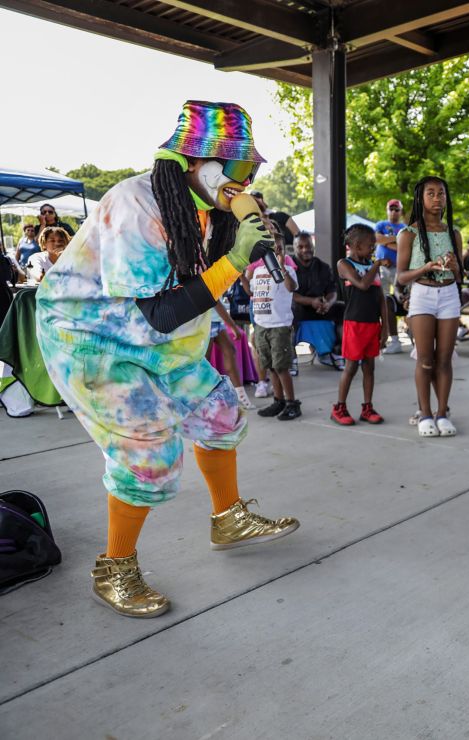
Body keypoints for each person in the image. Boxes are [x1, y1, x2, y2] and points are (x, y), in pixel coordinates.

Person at [35, 100, 299, 618]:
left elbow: (180, 299)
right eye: (242, 169)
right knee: (149, 452)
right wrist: (236, 259)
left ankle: (228, 517)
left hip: (157, 339)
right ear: (204, 165)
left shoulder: (201, 208)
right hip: (90, 338)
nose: (246, 182)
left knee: (220, 412)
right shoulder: (135, 204)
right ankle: (115, 568)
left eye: (251, 170)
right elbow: (159, 311)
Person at [396, 176, 463, 437]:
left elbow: (459, 277)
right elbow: (401, 277)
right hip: (422, 294)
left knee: (444, 360)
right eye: (431, 194)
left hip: (448, 295)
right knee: (425, 360)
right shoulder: (408, 234)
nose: (437, 199)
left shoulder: (453, 233)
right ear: (420, 199)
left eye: (441, 194)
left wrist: (456, 268)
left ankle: (442, 412)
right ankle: (425, 413)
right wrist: (424, 267)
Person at [330, 224, 388, 425]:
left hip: (372, 324)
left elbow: (381, 298)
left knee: (369, 368)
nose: (373, 249)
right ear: (355, 245)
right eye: (370, 245)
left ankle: (367, 407)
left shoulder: (371, 264)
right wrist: (377, 265)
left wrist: (385, 327)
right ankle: (339, 407)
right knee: (351, 367)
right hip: (354, 323)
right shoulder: (344, 264)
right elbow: (362, 285)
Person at [246, 232, 301, 421]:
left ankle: (292, 403)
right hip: (262, 325)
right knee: (270, 366)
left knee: (282, 367)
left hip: (279, 325)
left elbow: (291, 287)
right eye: (270, 247)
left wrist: (281, 267)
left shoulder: (287, 269)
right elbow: (251, 292)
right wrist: (242, 278)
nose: (275, 251)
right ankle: (279, 400)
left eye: (279, 248)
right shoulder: (258, 271)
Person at [289, 231, 344, 367]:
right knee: (288, 311)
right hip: (299, 308)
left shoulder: (323, 267)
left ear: (313, 246)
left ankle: (337, 351)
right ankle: (291, 358)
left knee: (343, 309)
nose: (305, 249)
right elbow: (290, 294)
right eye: (300, 247)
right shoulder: (289, 266)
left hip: (320, 309)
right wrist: (311, 302)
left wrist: (328, 304)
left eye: (308, 246)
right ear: (294, 248)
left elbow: (332, 291)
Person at [207, 297, 254, 409]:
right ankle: (206, 402)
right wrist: (233, 326)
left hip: (215, 319)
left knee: (230, 351)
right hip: (205, 321)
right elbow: (215, 302)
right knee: (204, 364)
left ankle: (240, 395)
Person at [375, 198, 406, 354]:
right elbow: (377, 239)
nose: (394, 212)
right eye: (391, 209)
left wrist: (385, 242)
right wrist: (396, 239)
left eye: (397, 209)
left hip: (399, 270)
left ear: (401, 211)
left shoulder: (404, 227)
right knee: (383, 303)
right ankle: (388, 338)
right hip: (382, 268)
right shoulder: (381, 225)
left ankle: (398, 337)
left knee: (402, 302)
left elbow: (405, 247)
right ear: (387, 210)